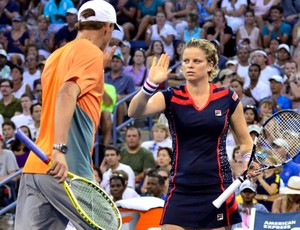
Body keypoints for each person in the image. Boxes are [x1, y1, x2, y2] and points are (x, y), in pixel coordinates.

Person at [128, 38, 253, 229]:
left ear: (211, 65)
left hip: (216, 187)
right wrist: (150, 84)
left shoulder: (227, 97)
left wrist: (245, 158)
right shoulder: (171, 96)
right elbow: (134, 112)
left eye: (197, 61)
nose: (189, 66)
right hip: (181, 187)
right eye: (186, 61)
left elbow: (245, 141)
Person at [15, 1, 119, 229]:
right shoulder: (91, 52)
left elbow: (64, 92)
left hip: (36, 167)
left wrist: (97, 68)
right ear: (107, 28)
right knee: (109, 226)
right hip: (66, 166)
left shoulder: (56, 55)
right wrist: (59, 150)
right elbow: (67, 92)